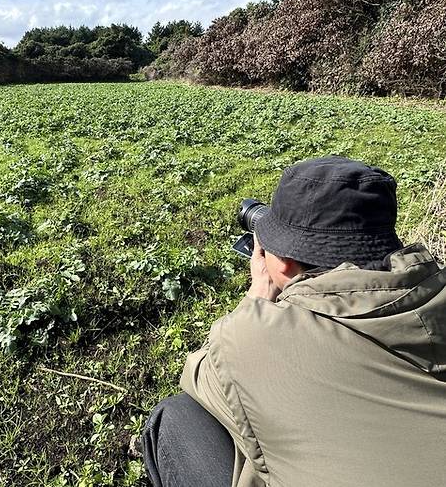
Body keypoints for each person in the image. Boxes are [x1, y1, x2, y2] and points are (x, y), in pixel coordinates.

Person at [141, 156, 446, 487]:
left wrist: (257, 298)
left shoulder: (253, 339)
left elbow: (199, 374)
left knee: (175, 418)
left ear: (283, 264)